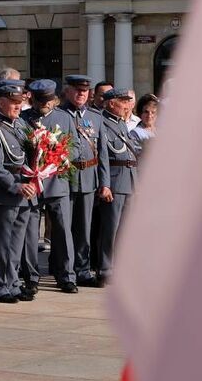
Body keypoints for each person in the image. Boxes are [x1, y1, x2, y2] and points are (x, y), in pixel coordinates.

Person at [0, 81, 38, 303]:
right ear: (1, 102)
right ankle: (0, 286)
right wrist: (15, 185)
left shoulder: (22, 126)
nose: (17, 106)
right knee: (2, 243)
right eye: (12, 103)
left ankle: (12, 283)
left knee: (16, 244)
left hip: (25, 192)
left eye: (19, 102)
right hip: (5, 194)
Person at [44, 74, 105, 289]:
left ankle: (82, 269)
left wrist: (104, 182)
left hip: (88, 177)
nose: (81, 94)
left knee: (83, 228)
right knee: (62, 229)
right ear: (67, 91)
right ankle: (64, 271)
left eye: (85, 90)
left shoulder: (96, 117)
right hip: (63, 179)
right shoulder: (57, 115)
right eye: (77, 90)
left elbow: (103, 154)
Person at [19, 79, 60, 295]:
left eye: (48, 100)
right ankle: (31, 276)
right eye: (40, 100)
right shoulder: (23, 120)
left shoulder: (62, 118)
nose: (45, 104)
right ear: (32, 99)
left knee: (61, 231)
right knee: (30, 233)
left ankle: (64, 274)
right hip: (31, 184)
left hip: (55, 183)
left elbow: (70, 149)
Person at [96, 88, 140, 287]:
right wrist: (105, 184)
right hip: (114, 181)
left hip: (128, 180)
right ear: (111, 103)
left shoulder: (121, 124)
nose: (126, 106)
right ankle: (106, 268)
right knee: (110, 229)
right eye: (123, 102)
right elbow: (104, 157)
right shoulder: (102, 123)